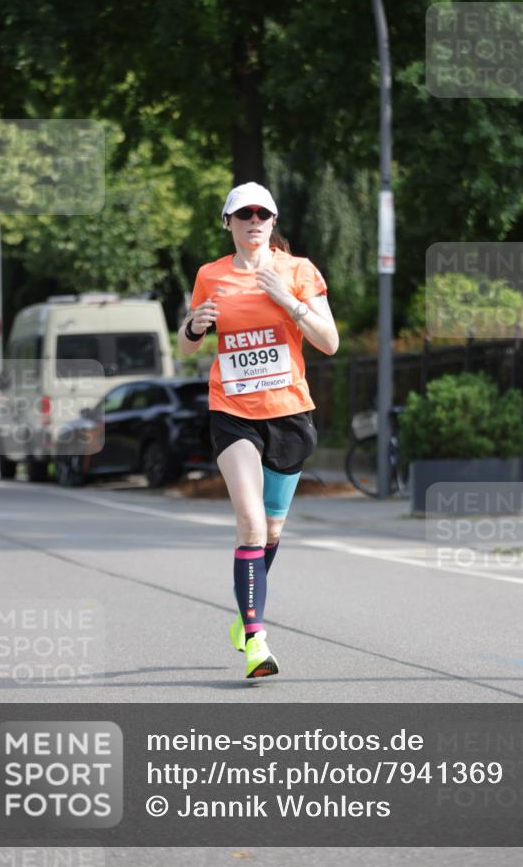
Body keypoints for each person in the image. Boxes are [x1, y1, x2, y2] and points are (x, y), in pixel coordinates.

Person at [177, 182, 339, 679]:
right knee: (249, 522)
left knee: (270, 531)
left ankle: (245, 612)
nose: (253, 221)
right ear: (227, 222)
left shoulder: (298, 270)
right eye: (242, 214)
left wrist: (288, 302)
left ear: (272, 223)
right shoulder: (211, 275)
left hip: (289, 413)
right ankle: (255, 639)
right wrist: (193, 326)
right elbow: (186, 347)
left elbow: (329, 342)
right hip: (232, 412)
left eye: (261, 214)